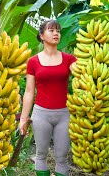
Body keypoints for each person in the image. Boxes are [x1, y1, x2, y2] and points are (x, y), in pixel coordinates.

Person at [18, 20, 76, 176]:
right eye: (51, 30)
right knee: (41, 155)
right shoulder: (33, 62)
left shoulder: (69, 59)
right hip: (41, 114)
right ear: (42, 36)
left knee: (62, 158)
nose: (56, 33)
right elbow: (29, 92)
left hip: (64, 114)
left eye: (58, 30)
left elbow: (81, 74)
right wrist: (23, 118)